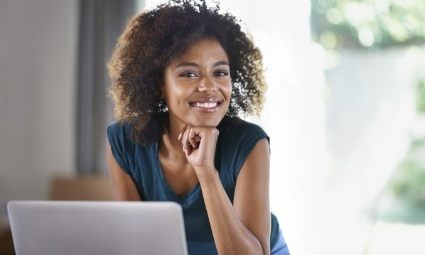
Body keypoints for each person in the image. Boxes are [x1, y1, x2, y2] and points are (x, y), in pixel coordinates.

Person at [105, 0, 289, 254]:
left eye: (220, 72)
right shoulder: (125, 141)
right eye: (189, 74)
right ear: (160, 84)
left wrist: (206, 171)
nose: (209, 86)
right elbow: (137, 244)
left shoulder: (250, 143)